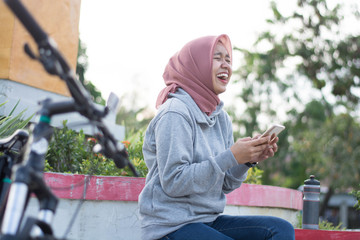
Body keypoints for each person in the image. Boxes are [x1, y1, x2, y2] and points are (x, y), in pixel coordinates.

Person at [138, 34, 295, 240]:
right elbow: (174, 182)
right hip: (169, 226)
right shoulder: (175, 113)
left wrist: (248, 159)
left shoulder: (220, 117)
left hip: (207, 220)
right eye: (217, 58)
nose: (226, 66)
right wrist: (231, 156)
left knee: (281, 229)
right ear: (197, 64)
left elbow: (225, 184)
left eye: (228, 60)